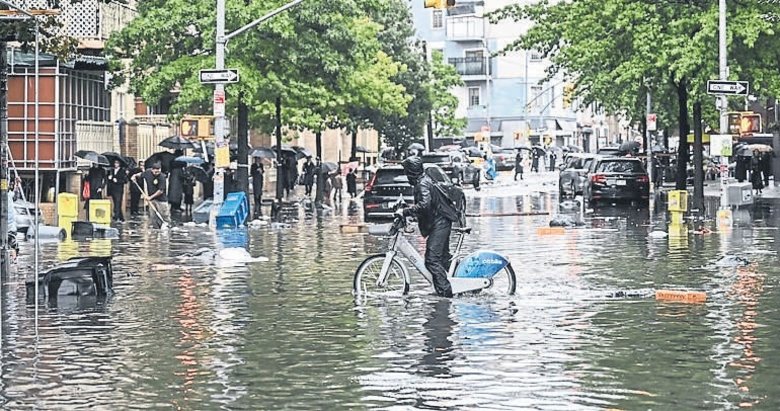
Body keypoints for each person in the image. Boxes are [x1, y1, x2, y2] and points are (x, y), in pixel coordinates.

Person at [397, 156, 455, 298]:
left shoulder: (422, 183)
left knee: (431, 260)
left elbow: (425, 204)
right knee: (443, 258)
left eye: (406, 171)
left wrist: (406, 211)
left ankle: (446, 295)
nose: (405, 175)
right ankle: (463, 279)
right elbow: (425, 206)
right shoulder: (422, 181)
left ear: (411, 171)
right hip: (440, 221)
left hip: (440, 223)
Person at [131, 162, 169, 229]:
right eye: (155, 170)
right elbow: (140, 174)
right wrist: (134, 176)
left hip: (161, 200)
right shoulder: (148, 173)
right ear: (152, 169)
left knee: (163, 215)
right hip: (152, 200)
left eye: (158, 170)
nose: (157, 171)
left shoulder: (162, 177)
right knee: (153, 216)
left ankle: (166, 227)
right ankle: (156, 228)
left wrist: (150, 197)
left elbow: (160, 191)